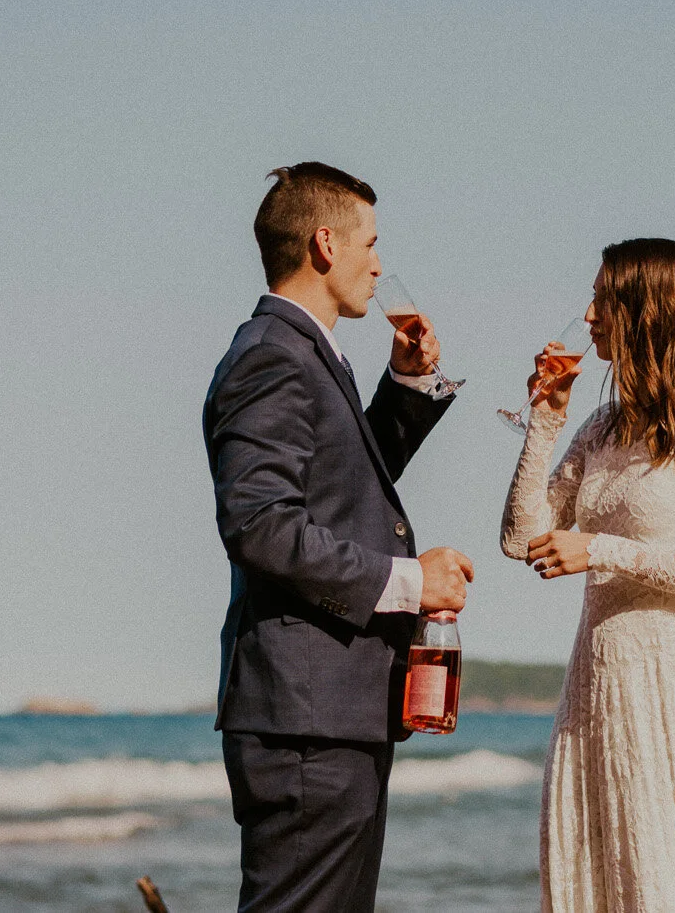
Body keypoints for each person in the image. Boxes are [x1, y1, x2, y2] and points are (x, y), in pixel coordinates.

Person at [204, 162, 474, 913]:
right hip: (305, 724)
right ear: (326, 243)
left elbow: (337, 491)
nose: (380, 263)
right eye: (371, 242)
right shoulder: (273, 353)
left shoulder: (307, 354)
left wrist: (405, 388)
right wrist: (413, 581)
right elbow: (259, 523)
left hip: (328, 718)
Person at [500, 237, 675, 912]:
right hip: (597, 682)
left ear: (646, 308)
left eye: (603, 298)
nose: (589, 314)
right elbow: (520, 537)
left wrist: (602, 550)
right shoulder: (602, 425)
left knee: (670, 877)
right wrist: (544, 419)